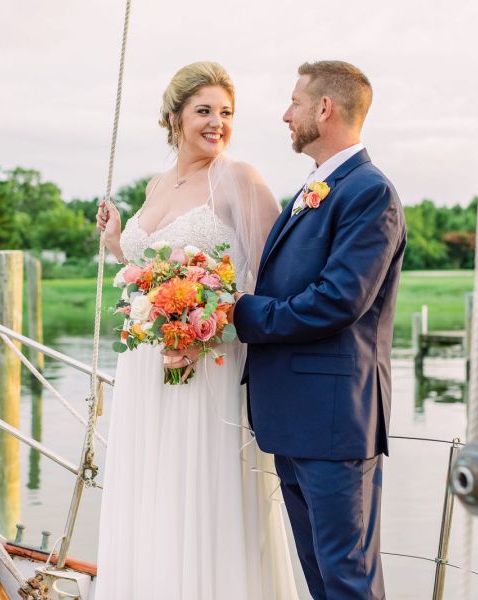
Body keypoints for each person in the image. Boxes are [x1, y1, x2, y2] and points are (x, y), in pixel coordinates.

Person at [95, 61, 299, 599]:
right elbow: (148, 273)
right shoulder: (161, 181)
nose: (217, 123)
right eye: (204, 111)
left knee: (200, 494)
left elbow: (276, 276)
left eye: (226, 112)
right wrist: (119, 242)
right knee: (152, 493)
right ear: (173, 116)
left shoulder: (239, 179)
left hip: (206, 363)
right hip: (145, 370)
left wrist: (209, 327)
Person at [233, 60, 407, 599]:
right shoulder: (319, 185)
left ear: (324, 109)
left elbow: (337, 301)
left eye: (295, 102)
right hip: (296, 419)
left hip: (335, 422)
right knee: (320, 578)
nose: (287, 115)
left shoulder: (369, 192)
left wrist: (245, 313)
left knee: (347, 579)